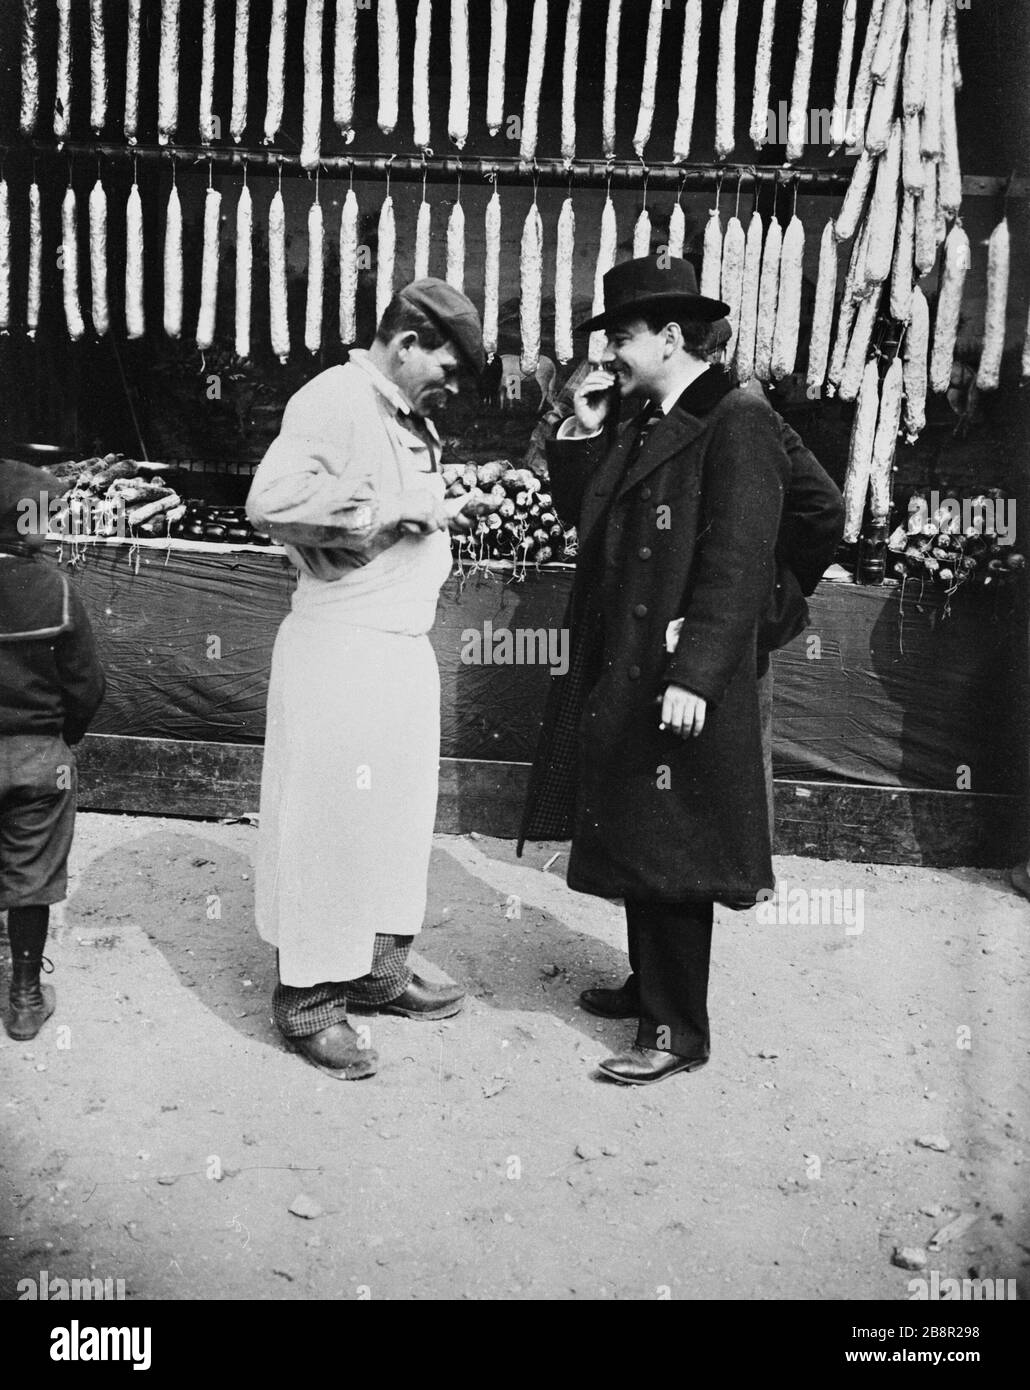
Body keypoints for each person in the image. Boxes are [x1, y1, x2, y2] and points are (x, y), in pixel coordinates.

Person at [518, 253, 790, 1086]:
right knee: (643, 824)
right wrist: (584, 424)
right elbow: (586, 515)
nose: (611, 357)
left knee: (677, 847)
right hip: (630, 662)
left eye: (623, 340)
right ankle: (651, 987)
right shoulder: (645, 415)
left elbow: (745, 556)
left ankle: (679, 1030)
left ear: (671, 337)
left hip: (676, 668)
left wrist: (707, 662)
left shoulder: (736, 417)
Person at [246, 280, 483, 1081]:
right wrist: (380, 517)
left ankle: (377, 972)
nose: (454, 381)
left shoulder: (406, 415)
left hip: (397, 649)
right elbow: (269, 502)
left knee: (393, 821)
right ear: (408, 339)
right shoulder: (333, 397)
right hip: (340, 650)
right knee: (329, 827)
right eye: (448, 362)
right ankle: (309, 1003)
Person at [704, 318, 845, 833]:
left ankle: (737, 867)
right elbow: (824, 507)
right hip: (738, 605)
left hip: (724, 607)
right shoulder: (747, 408)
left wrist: (778, 581)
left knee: (734, 733)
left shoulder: (746, 413)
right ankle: (742, 867)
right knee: (742, 735)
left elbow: (823, 507)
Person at [0, 460, 105, 1042]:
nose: (54, 523)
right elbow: (86, 686)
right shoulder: (56, 591)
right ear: (18, 523)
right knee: (32, 876)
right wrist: (62, 740)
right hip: (40, 757)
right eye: (44, 514)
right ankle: (23, 997)